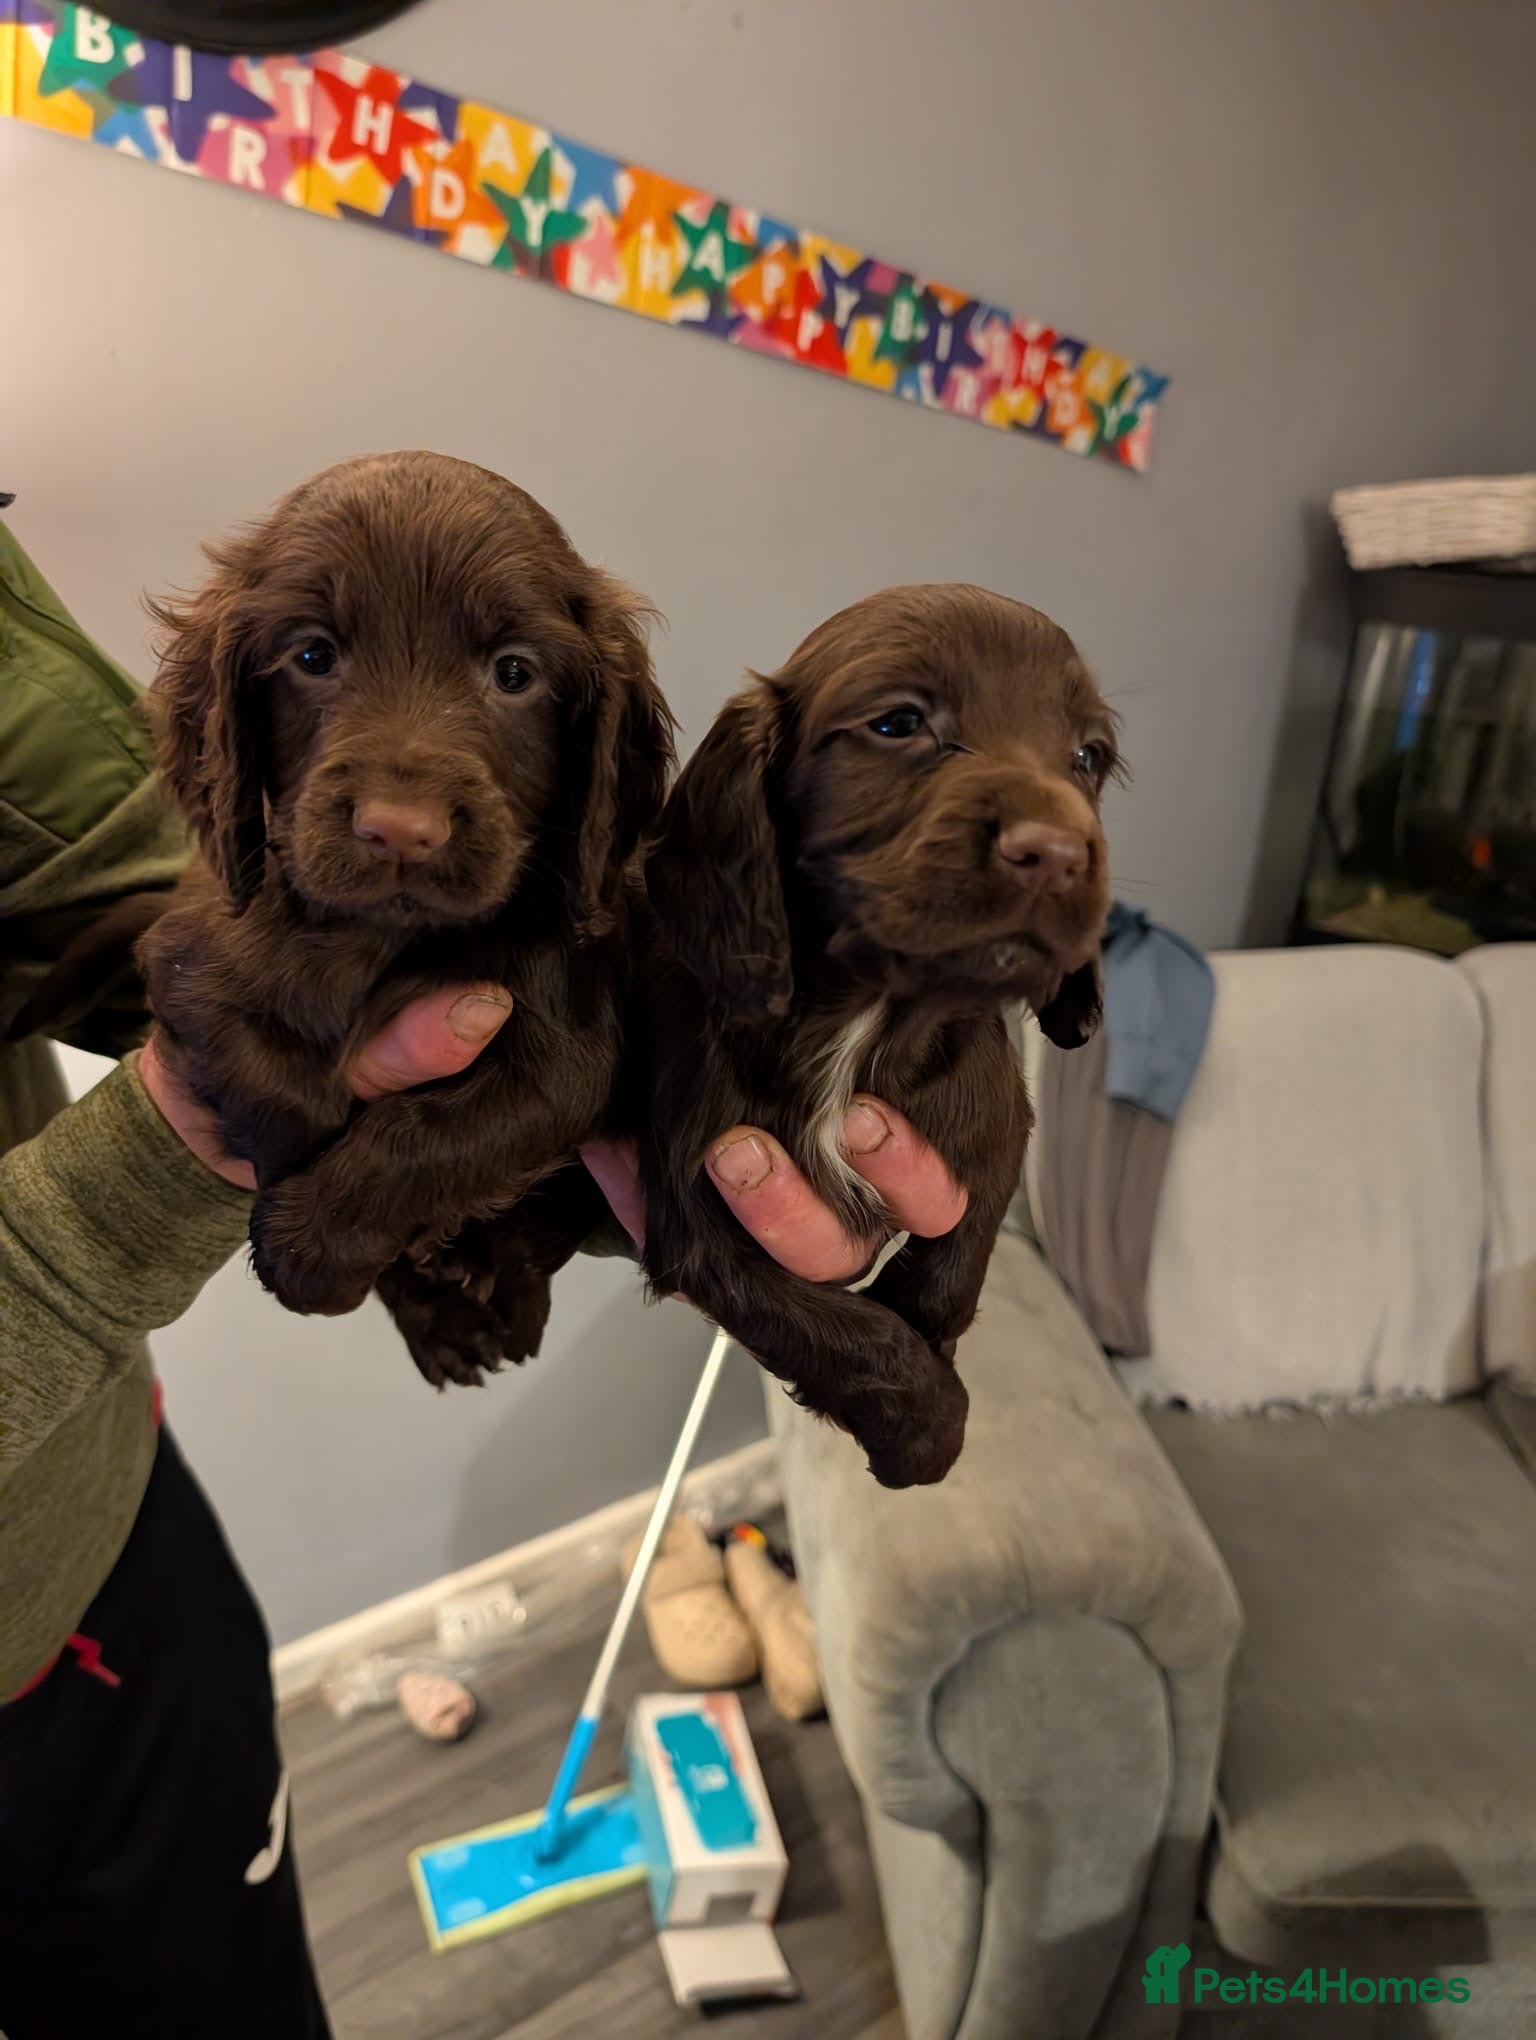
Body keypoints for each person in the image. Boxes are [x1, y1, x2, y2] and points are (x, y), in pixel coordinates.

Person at [0, 512, 965, 2038]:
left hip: (97, 1532)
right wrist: (187, 1163)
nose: (395, 798)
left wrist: (578, 1179)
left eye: (512, 672)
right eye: (315, 658)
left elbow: (131, 889)